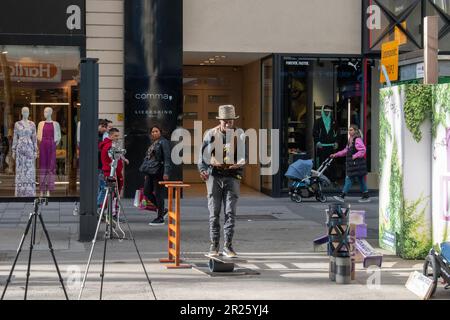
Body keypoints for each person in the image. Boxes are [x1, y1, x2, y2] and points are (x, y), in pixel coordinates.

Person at [198, 105, 246, 258]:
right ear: (220, 120)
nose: (227, 124)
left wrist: (241, 162)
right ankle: (214, 245)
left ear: (234, 120)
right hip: (214, 176)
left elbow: (244, 155)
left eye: (230, 121)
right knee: (214, 212)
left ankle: (228, 246)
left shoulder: (240, 134)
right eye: (225, 121)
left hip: (232, 176)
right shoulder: (210, 133)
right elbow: (202, 156)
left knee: (230, 212)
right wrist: (204, 168)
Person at [330, 124, 370, 203]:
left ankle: (342, 195)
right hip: (355, 164)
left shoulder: (357, 139)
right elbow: (346, 150)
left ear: (355, 131)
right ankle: (366, 196)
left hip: (356, 164)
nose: (349, 131)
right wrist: (335, 155)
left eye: (351, 130)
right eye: (349, 130)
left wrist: (354, 156)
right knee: (361, 179)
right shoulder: (350, 140)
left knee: (349, 178)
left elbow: (363, 150)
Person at [143, 126, 171, 226]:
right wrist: (146, 173)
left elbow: (167, 158)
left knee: (159, 194)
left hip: (159, 171)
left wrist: (166, 172)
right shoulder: (153, 143)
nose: (154, 133)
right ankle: (163, 210)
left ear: (160, 132)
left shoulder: (163, 142)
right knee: (146, 192)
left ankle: (160, 217)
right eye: (153, 132)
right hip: (150, 171)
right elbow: (149, 159)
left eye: (156, 131)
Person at [99, 128, 129, 219]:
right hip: (112, 172)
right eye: (115, 136)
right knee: (113, 194)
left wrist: (124, 159)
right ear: (110, 136)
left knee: (111, 194)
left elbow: (118, 154)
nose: (117, 138)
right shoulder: (109, 146)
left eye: (117, 136)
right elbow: (113, 156)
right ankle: (111, 214)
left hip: (113, 172)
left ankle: (106, 212)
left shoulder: (110, 144)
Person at [313, 105, 338, 182]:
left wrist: (337, 142)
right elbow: (314, 133)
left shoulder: (334, 121)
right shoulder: (318, 121)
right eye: (326, 111)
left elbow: (337, 132)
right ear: (323, 111)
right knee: (322, 163)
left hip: (331, 146)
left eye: (329, 111)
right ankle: (321, 179)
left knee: (332, 163)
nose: (327, 112)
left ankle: (333, 180)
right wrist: (317, 142)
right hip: (322, 146)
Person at [97, 119, 108, 211]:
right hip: (98, 166)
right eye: (102, 126)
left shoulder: (103, 137)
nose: (104, 129)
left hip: (102, 166)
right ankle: (97, 207)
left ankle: (98, 207)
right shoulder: (96, 137)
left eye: (105, 127)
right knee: (102, 188)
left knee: (102, 188)